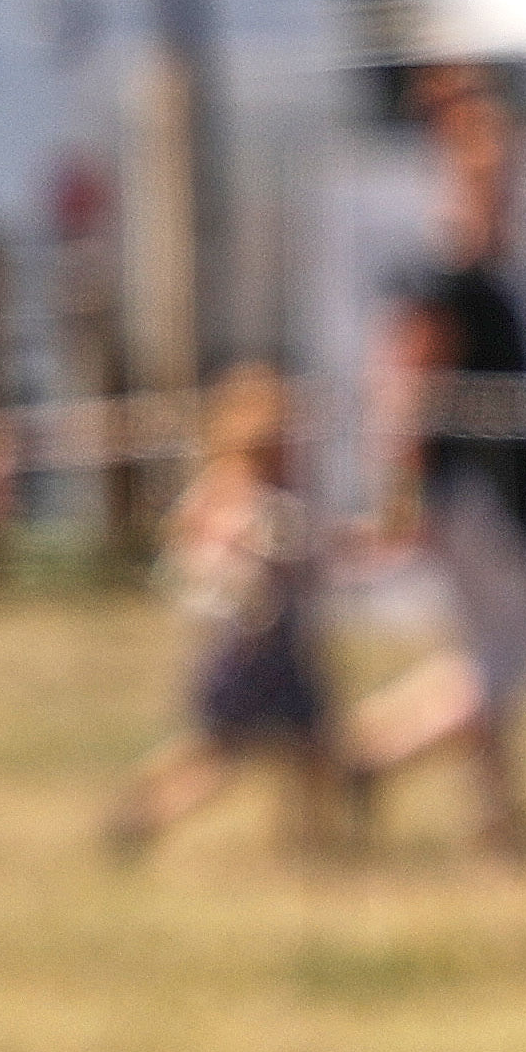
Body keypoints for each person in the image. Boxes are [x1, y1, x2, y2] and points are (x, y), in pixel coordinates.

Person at [343, 75, 526, 852]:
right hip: (473, 494)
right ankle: (368, 753)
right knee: (498, 667)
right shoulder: (445, 279)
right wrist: (399, 495)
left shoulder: (485, 275)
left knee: (490, 658)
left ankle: (497, 820)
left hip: (493, 490)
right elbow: (405, 392)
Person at [106, 365, 334, 857]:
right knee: (235, 752)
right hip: (253, 645)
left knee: (296, 747)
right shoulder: (239, 496)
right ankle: (146, 811)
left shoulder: (244, 493)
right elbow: (210, 556)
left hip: (267, 643)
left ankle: (309, 843)